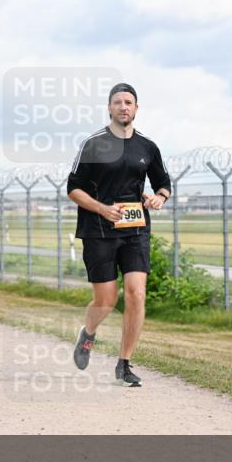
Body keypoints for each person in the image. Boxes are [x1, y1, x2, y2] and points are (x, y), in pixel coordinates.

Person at [66, 82, 171, 388]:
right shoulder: (94, 144)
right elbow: (73, 188)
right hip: (98, 230)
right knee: (107, 299)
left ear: (136, 108)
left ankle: (124, 363)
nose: (124, 107)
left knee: (137, 293)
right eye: (118, 102)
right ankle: (88, 333)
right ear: (109, 108)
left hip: (135, 228)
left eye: (129, 102)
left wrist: (159, 198)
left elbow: (163, 182)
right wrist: (102, 208)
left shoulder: (148, 147)